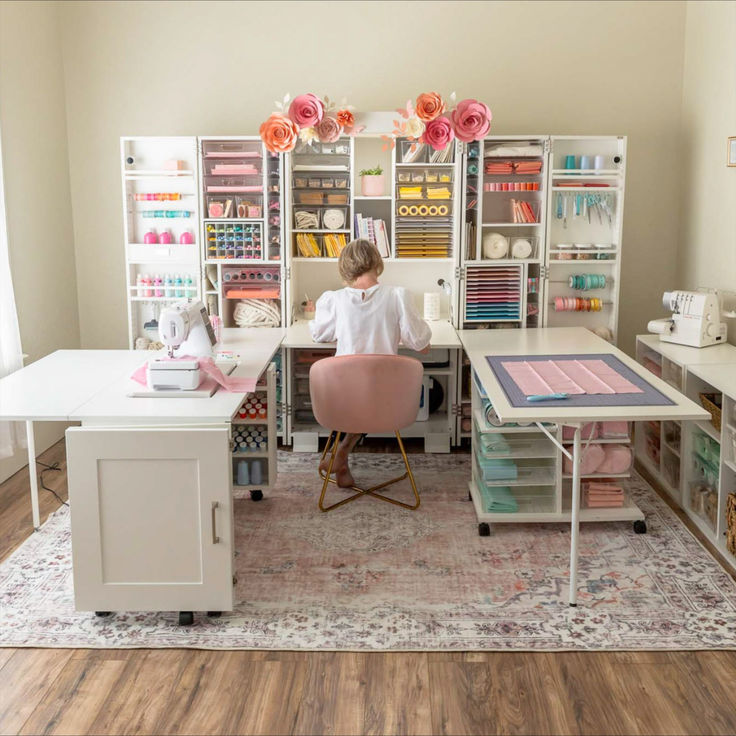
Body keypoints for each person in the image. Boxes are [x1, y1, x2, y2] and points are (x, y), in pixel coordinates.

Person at [309, 238, 432, 488]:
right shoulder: (398, 296)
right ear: (377, 263)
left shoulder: (334, 300)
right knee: (371, 393)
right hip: (388, 400)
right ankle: (341, 457)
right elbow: (422, 344)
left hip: (342, 399)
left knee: (356, 395)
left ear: (345, 267)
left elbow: (320, 334)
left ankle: (341, 455)